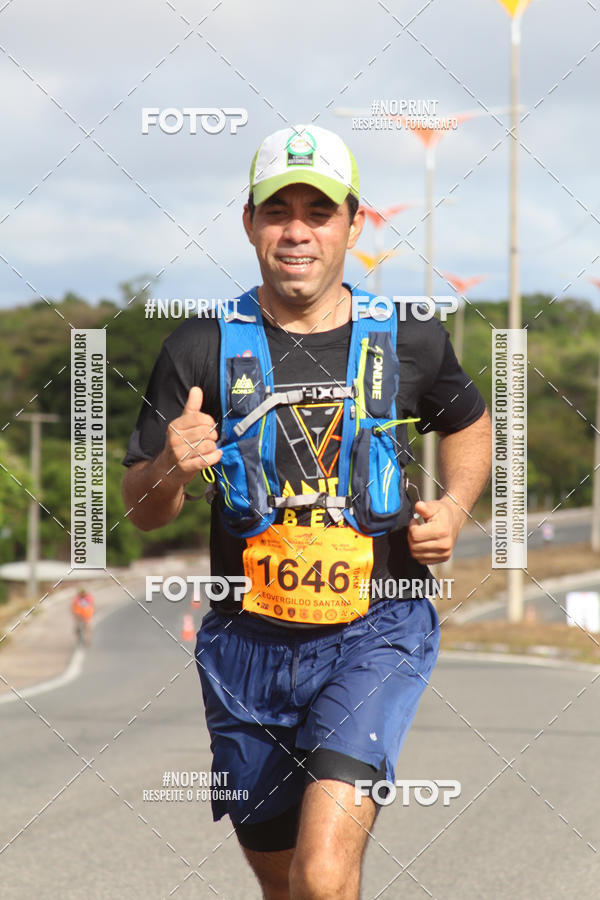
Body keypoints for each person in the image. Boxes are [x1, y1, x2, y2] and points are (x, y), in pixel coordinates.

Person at [122, 124, 492, 899]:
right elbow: (146, 513)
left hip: (375, 631)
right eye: (278, 210)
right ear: (250, 224)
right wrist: (168, 465)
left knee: (323, 875)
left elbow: (467, 420)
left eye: (318, 212)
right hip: (243, 651)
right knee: (287, 884)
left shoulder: (411, 338)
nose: (297, 230)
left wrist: (456, 506)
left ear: (352, 225)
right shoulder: (199, 347)